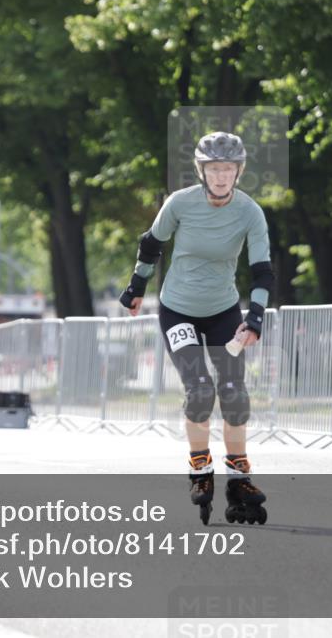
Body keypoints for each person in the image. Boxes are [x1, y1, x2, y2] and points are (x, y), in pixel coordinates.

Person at [119, 131, 273, 525]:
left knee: (235, 394)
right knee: (201, 390)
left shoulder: (250, 212)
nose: (221, 176)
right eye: (213, 168)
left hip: (223, 311)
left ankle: (239, 478)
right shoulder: (180, 203)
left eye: (228, 169)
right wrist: (136, 287)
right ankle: (200, 467)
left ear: (238, 171)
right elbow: (151, 243)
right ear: (201, 170)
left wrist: (254, 318)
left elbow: (261, 270)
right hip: (178, 310)